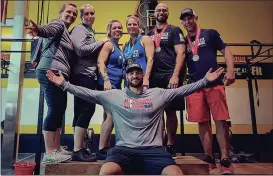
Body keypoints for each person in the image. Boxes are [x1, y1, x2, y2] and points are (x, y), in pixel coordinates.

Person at [46, 63, 224, 175]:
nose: (134, 75)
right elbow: (87, 93)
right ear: (126, 77)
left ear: (143, 75)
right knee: (106, 172)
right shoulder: (114, 95)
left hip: (154, 151)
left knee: (175, 174)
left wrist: (204, 81)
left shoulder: (158, 94)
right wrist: (64, 84)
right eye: (131, 73)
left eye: (138, 72)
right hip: (124, 151)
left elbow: (182, 90)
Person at [179, 8, 235, 174]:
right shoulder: (183, 41)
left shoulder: (210, 33)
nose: (187, 22)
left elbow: (226, 50)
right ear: (181, 22)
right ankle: (209, 158)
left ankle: (225, 159)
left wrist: (231, 70)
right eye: (184, 19)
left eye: (190, 18)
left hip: (215, 84)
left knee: (221, 121)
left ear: (195, 18)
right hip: (195, 86)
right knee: (202, 122)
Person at [25, 3, 78, 163]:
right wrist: (39, 30)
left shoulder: (66, 32)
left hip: (59, 73)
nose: (71, 15)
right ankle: (49, 152)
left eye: (74, 13)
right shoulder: (58, 23)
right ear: (61, 13)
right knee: (55, 109)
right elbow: (49, 30)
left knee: (59, 109)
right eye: (68, 12)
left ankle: (56, 147)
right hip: (50, 70)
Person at [69, 4, 109, 162]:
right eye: (87, 13)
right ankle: (78, 150)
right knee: (87, 109)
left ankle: (78, 148)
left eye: (92, 13)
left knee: (80, 111)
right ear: (81, 16)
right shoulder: (80, 29)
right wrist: (101, 42)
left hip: (85, 75)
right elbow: (80, 49)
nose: (90, 16)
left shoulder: (89, 31)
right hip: (82, 75)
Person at [146, 3, 186, 157]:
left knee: (170, 111)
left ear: (168, 13)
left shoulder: (175, 30)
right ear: (153, 14)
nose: (161, 12)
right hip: (154, 77)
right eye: (158, 10)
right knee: (156, 112)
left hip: (170, 74)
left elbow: (181, 53)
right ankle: (158, 144)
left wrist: (176, 75)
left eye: (164, 10)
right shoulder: (149, 33)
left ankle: (170, 144)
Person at [96, 20, 125, 159]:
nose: (118, 30)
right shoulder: (108, 44)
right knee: (112, 116)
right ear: (109, 30)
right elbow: (100, 62)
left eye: (120, 27)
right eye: (115, 28)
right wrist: (106, 80)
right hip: (109, 84)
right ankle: (102, 149)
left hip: (116, 85)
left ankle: (104, 146)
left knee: (107, 116)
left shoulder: (118, 47)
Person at [123, 15, 154, 90]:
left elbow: (150, 59)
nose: (132, 26)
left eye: (134, 24)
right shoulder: (125, 45)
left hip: (141, 80)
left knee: (142, 101)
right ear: (126, 27)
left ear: (138, 26)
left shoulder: (145, 39)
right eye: (129, 24)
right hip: (129, 82)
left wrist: (146, 78)